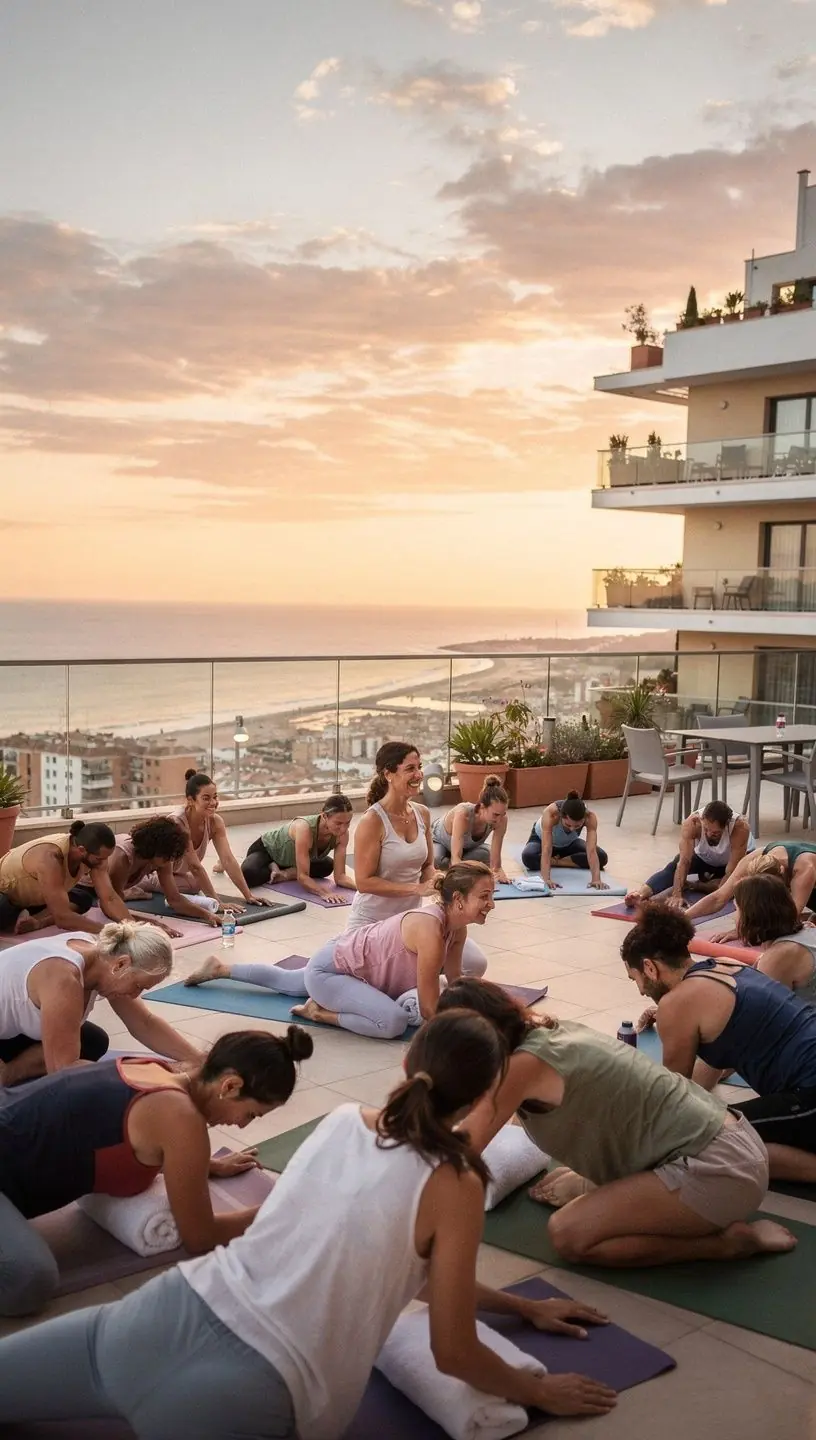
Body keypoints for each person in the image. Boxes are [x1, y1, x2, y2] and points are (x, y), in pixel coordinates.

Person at [0, 1011, 617, 1435]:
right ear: (487, 1095)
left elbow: (403, 1268)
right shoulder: (456, 1183)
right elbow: (452, 1350)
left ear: (406, 1059)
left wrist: (520, 1306)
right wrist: (538, 1391)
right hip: (253, 1391)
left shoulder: (342, 1121)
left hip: (155, 1317)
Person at [436, 977, 791, 1267]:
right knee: (564, 1181)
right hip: (731, 1141)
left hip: (721, 1170)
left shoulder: (521, 1068)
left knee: (568, 1235)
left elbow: (462, 1149)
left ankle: (727, 1245)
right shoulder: (546, 1031)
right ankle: (611, 1190)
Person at [0, 1027, 313, 1319]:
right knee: (29, 1278)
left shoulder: (153, 1068)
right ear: (230, 1086)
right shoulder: (180, 1118)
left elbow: (114, 1137)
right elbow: (200, 1237)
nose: (242, 1125)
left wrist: (204, 1166)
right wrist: (278, 1208)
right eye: (250, 1114)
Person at [186, 863, 496, 1041]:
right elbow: (430, 1009)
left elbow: (456, 984)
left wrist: (488, 1014)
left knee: (293, 982)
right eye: (485, 896)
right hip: (333, 968)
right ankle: (319, 1012)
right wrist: (471, 1033)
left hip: (347, 964)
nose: (491, 904)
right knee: (393, 1022)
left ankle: (221, 969)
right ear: (457, 899)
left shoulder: (456, 929)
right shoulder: (429, 929)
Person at [621, 904, 816, 1185]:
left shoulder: (676, 1004)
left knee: (715, 1144)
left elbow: (672, 1097)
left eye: (635, 978)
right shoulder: (726, 965)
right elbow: (714, 1063)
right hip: (805, 1085)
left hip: (809, 1094)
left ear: (650, 968)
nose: (640, 989)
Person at [0, 920, 203, 1088]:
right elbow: (62, 1068)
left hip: (10, 1030)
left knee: (93, 1041)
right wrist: (157, 1074)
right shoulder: (63, 978)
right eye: (138, 985)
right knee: (72, 1058)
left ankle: (9, 1070)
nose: (135, 995)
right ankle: (6, 1076)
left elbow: (144, 1023)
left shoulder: (103, 956)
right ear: (121, 964)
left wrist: (200, 1060)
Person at [349, 741, 487, 977]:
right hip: (373, 923)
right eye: (410, 769)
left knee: (475, 964)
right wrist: (416, 889)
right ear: (389, 774)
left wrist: (439, 881)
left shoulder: (421, 813)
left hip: (410, 922)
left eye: (419, 767)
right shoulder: (372, 822)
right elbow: (364, 882)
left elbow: (427, 867)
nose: (418, 775)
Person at [139, 771, 277, 926]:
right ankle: (134, 886)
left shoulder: (215, 822)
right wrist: (217, 902)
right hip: (153, 873)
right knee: (194, 884)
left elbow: (227, 859)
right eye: (206, 798)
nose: (213, 802)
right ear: (191, 800)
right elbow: (195, 866)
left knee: (194, 884)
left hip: (176, 874)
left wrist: (248, 895)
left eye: (215, 797)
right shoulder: (177, 822)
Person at [624, 801, 754, 910]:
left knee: (735, 886)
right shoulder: (693, 823)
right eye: (706, 829)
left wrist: (717, 897)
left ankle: (696, 885)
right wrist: (676, 894)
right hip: (705, 857)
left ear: (726, 826)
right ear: (701, 821)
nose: (709, 834)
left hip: (730, 862)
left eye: (715, 833)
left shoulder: (740, 828)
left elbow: (731, 873)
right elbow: (684, 861)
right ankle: (639, 894)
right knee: (673, 866)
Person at [0, 822, 118, 936]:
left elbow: (110, 898)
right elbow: (63, 918)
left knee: (83, 898)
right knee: (3, 909)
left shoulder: (92, 855)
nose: (104, 863)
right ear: (82, 850)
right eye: (99, 859)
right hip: (6, 896)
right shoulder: (50, 857)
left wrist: (132, 928)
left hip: (33, 897)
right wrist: (111, 933)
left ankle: (36, 921)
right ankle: (20, 916)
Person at [238, 795, 356, 907]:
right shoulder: (304, 828)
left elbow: (340, 876)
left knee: (327, 866)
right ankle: (272, 865)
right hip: (267, 851)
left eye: (348, 823)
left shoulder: (343, 834)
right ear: (324, 816)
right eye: (338, 823)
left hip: (292, 858)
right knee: (248, 874)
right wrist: (325, 893)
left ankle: (284, 873)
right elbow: (303, 877)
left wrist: (362, 888)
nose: (344, 828)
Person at [683, 840, 816, 926]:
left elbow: (791, 916)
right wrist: (682, 918)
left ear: (781, 874)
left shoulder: (805, 869)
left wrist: (743, 932)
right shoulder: (753, 859)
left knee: (795, 927)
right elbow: (718, 898)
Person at [521, 793, 609, 891]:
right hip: (541, 840)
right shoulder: (551, 813)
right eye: (568, 825)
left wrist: (596, 879)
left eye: (577, 826)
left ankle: (556, 861)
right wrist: (546, 879)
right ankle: (561, 860)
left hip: (569, 843)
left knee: (602, 857)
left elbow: (591, 850)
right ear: (561, 816)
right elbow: (546, 848)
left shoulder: (590, 817)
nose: (572, 829)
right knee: (528, 857)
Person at [431, 775, 509, 882]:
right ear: (482, 807)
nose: (499, 819)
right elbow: (456, 857)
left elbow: (496, 863)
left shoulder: (502, 819)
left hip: (466, 849)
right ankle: (463, 866)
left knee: (487, 853)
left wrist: (498, 871)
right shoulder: (463, 814)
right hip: (440, 842)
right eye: (495, 815)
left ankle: (463, 866)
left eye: (502, 814)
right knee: (436, 860)